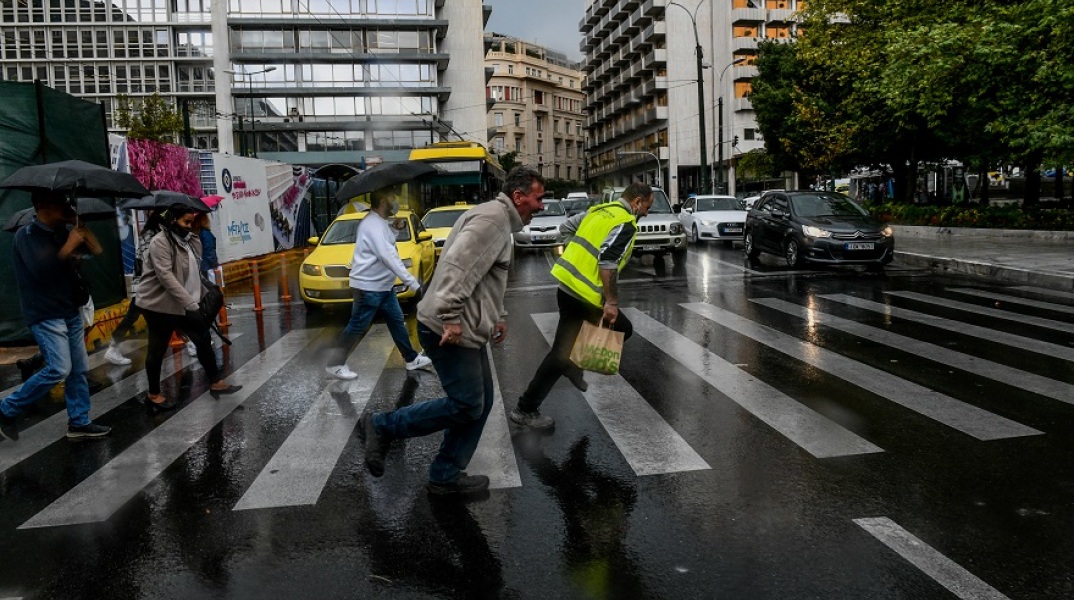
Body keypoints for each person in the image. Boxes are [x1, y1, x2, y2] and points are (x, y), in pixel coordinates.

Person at [356, 166, 546, 497]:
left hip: (467, 329)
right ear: (519, 197)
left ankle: (445, 473)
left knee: (480, 403)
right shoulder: (494, 222)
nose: (541, 206)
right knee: (467, 404)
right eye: (538, 198)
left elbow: (486, 275)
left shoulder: (495, 217)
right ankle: (382, 426)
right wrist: (451, 316)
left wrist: (497, 315)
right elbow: (458, 268)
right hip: (448, 328)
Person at [510, 181, 654, 431]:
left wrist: (572, 256)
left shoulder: (599, 210)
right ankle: (528, 405)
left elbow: (565, 228)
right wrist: (611, 302)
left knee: (562, 351)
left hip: (566, 287)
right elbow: (608, 262)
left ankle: (565, 370)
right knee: (621, 329)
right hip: (585, 296)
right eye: (647, 207)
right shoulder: (626, 223)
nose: (647, 213)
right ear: (637, 201)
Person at [0, 191, 111, 440]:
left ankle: (79, 421)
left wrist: (80, 228)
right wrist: (69, 245)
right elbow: (42, 272)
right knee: (59, 368)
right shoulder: (26, 235)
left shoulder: (62, 231)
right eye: (60, 203)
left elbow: (97, 250)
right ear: (42, 206)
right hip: (45, 312)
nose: (65, 206)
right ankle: (6, 409)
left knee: (79, 369)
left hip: (68, 308)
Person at [135, 204, 241, 411]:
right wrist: (191, 304)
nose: (189, 226)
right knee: (157, 348)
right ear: (173, 220)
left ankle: (215, 382)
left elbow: (194, 271)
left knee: (202, 337)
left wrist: (201, 296)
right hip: (159, 305)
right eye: (186, 222)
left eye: (191, 222)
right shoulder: (160, 242)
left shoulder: (189, 240)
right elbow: (166, 276)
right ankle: (154, 395)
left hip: (183, 303)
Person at [324, 185, 432, 380]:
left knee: (396, 321)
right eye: (392, 198)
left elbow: (386, 243)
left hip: (383, 287)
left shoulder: (380, 222)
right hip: (368, 287)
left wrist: (395, 230)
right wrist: (414, 284)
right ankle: (335, 364)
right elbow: (388, 256)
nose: (395, 202)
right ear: (383, 201)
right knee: (357, 326)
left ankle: (411, 358)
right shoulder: (372, 224)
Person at [104, 209, 164, 366]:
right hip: (146, 286)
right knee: (133, 315)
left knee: (153, 317)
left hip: (148, 285)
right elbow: (149, 263)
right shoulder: (150, 236)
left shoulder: (154, 234)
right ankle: (113, 347)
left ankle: (114, 347)